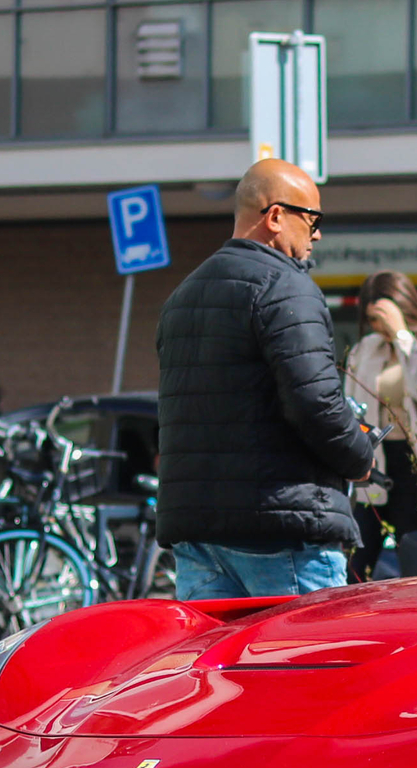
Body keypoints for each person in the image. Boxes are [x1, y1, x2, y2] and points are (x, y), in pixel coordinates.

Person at [153, 158, 373, 599]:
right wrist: (360, 456)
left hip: (199, 535)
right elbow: (317, 404)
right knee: (306, 666)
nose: (317, 234)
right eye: (312, 219)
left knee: (217, 668)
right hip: (283, 529)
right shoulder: (285, 286)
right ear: (275, 216)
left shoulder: (183, 296)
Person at [343, 269, 417, 579]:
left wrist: (402, 336)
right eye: (372, 320)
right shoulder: (366, 347)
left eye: (382, 319)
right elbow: (352, 407)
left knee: (416, 565)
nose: (378, 327)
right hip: (374, 467)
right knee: (355, 565)